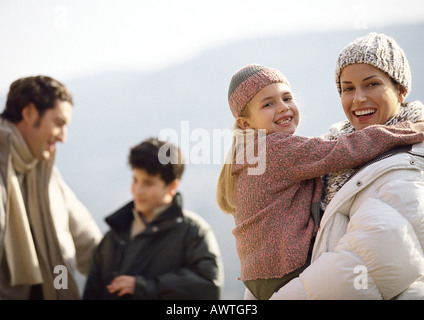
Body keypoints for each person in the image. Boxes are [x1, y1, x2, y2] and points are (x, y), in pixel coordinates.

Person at [216, 63, 424, 300]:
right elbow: (344, 149)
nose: (283, 108)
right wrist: (410, 129)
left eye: (287, 97)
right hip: (287, 269)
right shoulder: (274, 149)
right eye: (268, 104)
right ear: (245, 123)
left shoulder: (247, 153)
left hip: (259, 278)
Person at [269, 33, 424, 299]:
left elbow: (360, 270)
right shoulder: (334, 153)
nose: (358, 98)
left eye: (371, 84)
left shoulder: (407, 166)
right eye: (348, 88)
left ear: (401, 90)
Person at [0, 75, 102, 299]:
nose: (63, 138)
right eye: (58, 123)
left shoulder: (46, 173)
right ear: (29, 114)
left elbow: (91, 247)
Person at [83, 138, 224, 299]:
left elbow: (209, 286)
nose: (138, 190)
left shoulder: (193, 232)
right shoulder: (114, 235)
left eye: (148, 183)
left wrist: (143, 287)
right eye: (135, 180)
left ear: (172, 186)